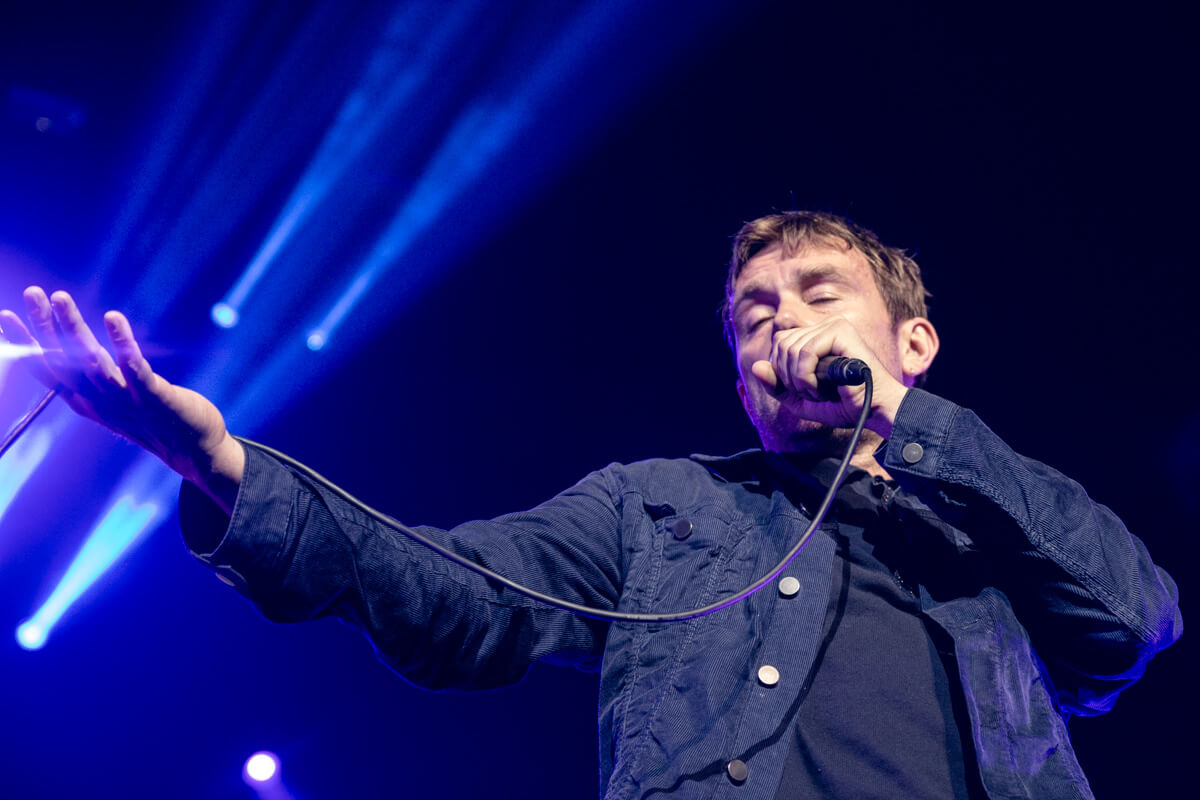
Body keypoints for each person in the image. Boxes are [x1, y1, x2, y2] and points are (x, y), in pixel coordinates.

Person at [0, 211, 1181, 799]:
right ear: (738, 373)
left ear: (911, 340)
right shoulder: (662, 507)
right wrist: (219, 464)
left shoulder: (992, 529)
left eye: (820, 293)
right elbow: (453, 592)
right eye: (757, 313)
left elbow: (1130, 618)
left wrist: (904, 426)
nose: (786, 323)